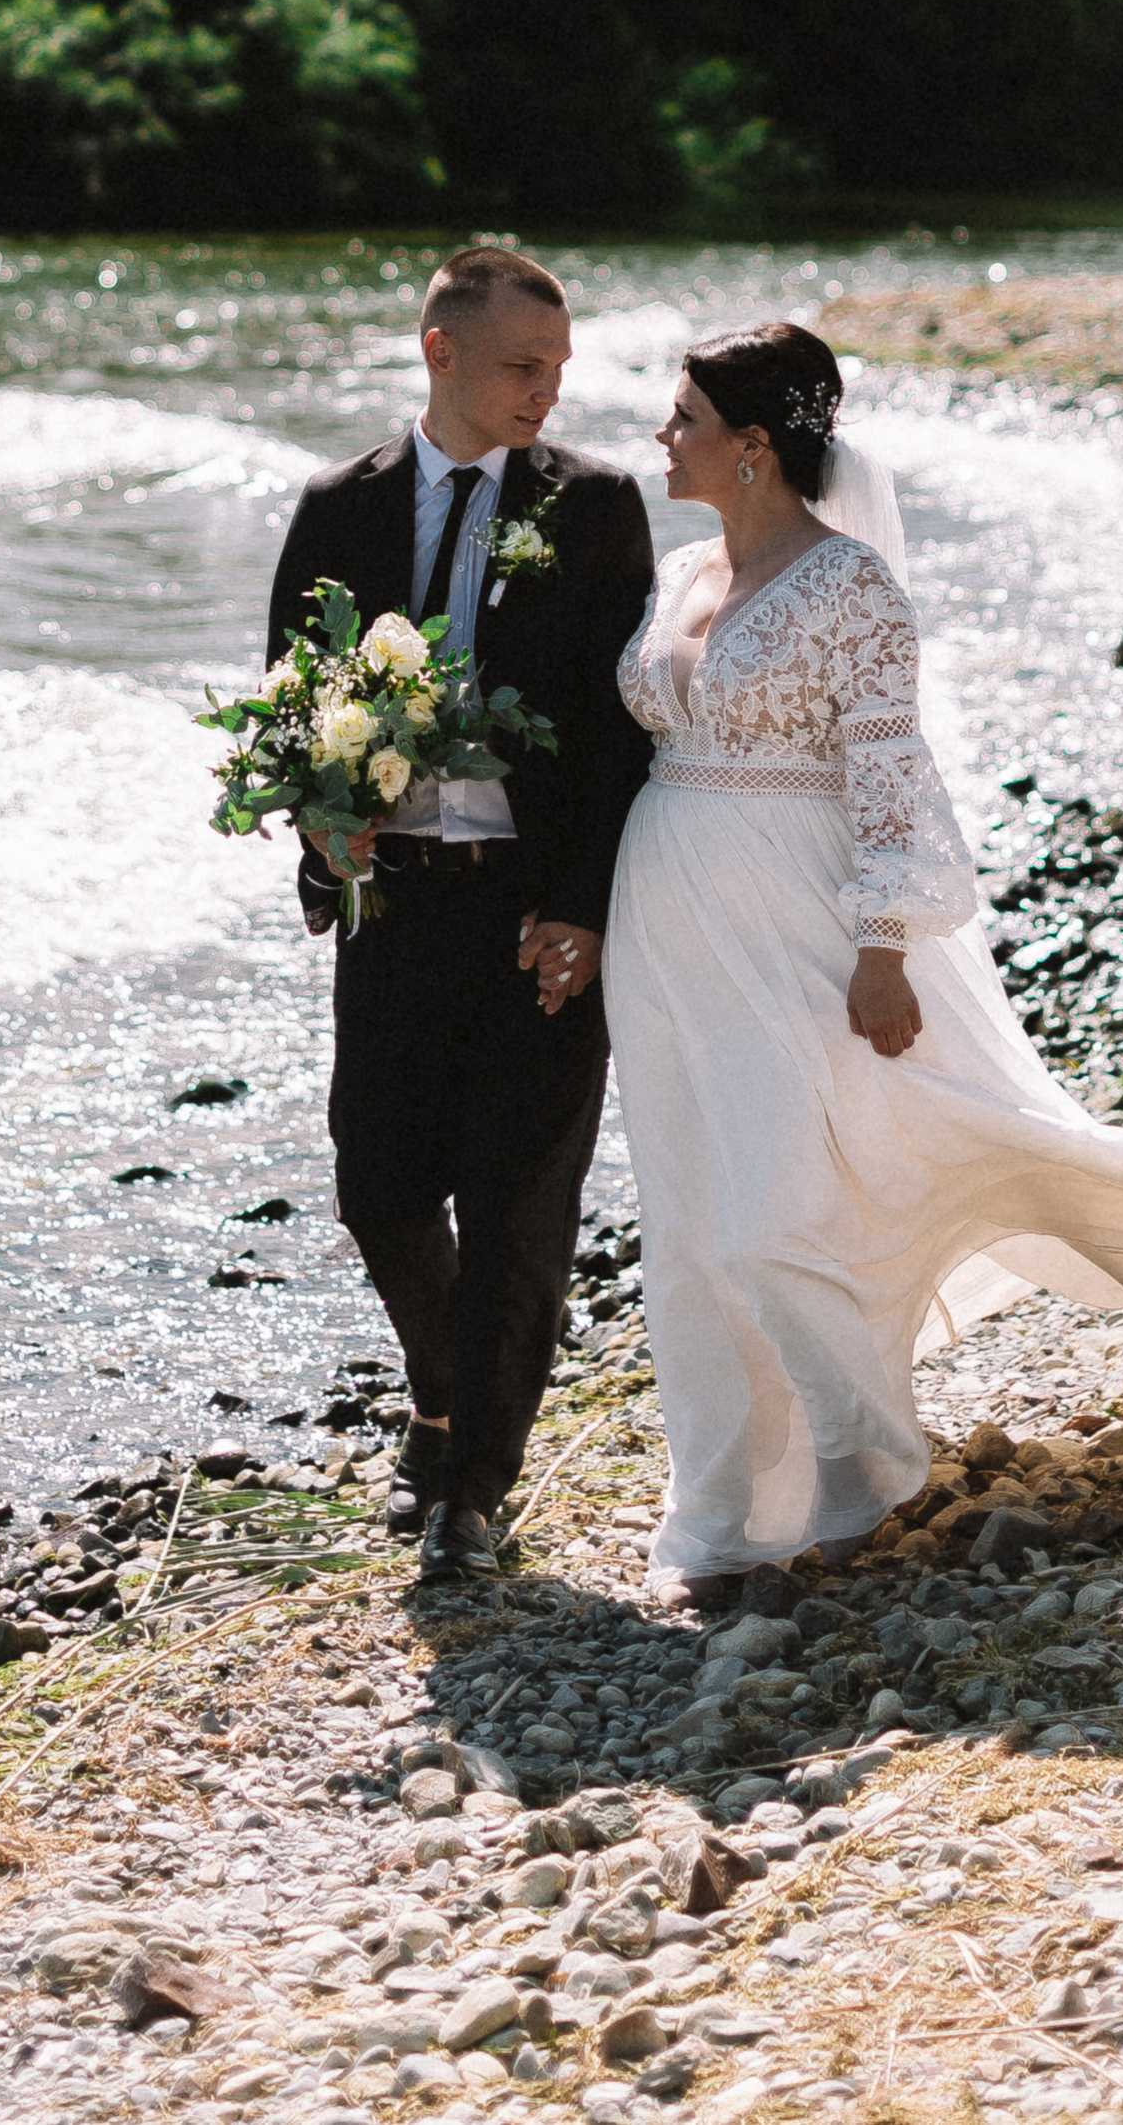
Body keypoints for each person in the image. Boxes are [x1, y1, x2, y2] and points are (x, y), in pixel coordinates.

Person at [604, 319, 1123, 1605]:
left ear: (754, 446)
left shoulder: (850, 588)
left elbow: (892, 778)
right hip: (666, 927)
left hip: (799, 923)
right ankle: (728, 1505)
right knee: (691, 1215)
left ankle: (860, 1468)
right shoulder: (682, 571)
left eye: (683, 417)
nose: (660, 436)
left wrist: (884, 946)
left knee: (781, 1211)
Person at [265, 244, 655, 1586]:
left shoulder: (592, 507)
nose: (549, 390)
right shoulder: (340, 506)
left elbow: (619, 736)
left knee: (515, 1211)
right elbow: (291, 697)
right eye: (522, 365)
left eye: (560, 367)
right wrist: (321, 826)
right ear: (441, 352)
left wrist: (587, 908)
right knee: (376, 1185)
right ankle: (439, 1393)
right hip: (395, 906)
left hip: (536, 916)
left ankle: (471, 1494)